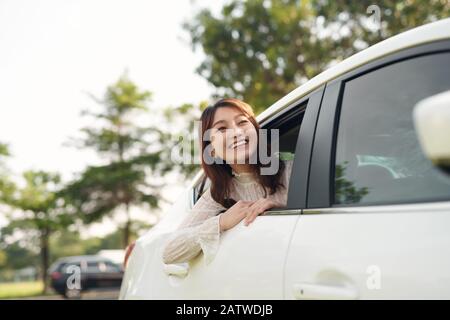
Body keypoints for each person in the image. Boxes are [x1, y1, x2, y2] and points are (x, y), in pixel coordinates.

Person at [161, 98, 294, 265]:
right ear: (212, 150)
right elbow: (169, 253)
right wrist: (221, 222)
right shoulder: (220, 193)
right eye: (222, 128)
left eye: (242, 122)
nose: (236, 132)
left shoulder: (291, 170)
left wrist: (279, 201)